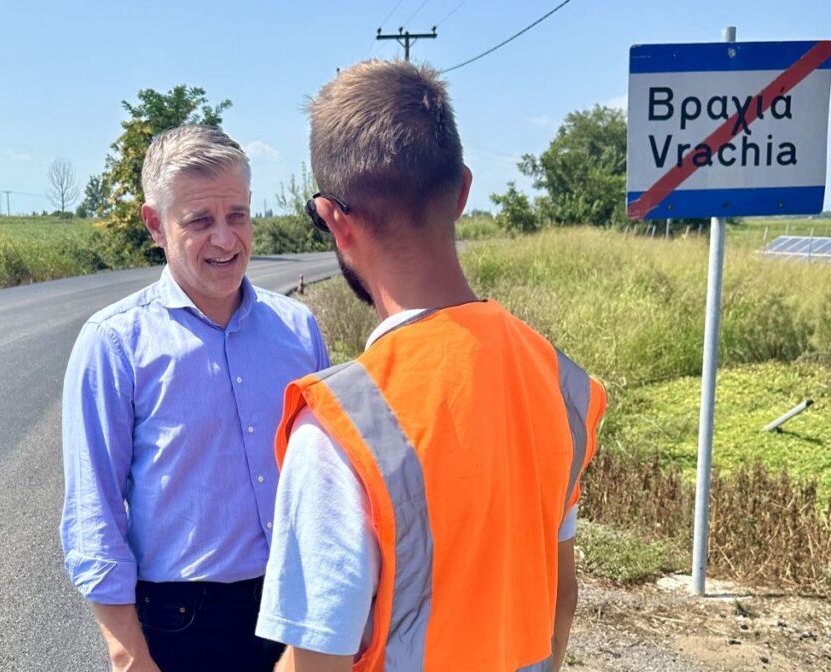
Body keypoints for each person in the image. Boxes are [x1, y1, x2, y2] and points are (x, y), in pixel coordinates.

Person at [255, 61, 607, 672]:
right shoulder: (561, 382)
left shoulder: (340, 428)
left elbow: (318, 663)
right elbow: (560, 596)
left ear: (333, 218)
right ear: (463, 190)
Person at [60, 125, 330, 672]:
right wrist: (128, 654)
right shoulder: (114, 344)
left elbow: (329, 481)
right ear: (156, 224)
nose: (226, 239)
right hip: (179, 624)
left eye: (238, 215)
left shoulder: (298, 331)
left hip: (295, 608)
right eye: (200, 221)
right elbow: (94, 513)